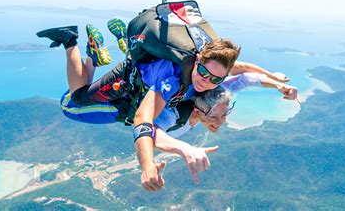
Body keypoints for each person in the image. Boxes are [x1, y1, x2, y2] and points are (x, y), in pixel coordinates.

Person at [37, 17, 242, 191]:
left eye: (216, 79)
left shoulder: (209, 76)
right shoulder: (173, 79)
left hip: (140, 83)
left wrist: (274, 81)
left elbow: (242, 72)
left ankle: (94, 56)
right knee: (72, 102)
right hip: (123, 89)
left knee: (80, 92)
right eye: (204, 73)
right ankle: (70, 40)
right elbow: (143, 118)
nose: (206, 81)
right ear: (197, 59)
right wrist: (147, 165)